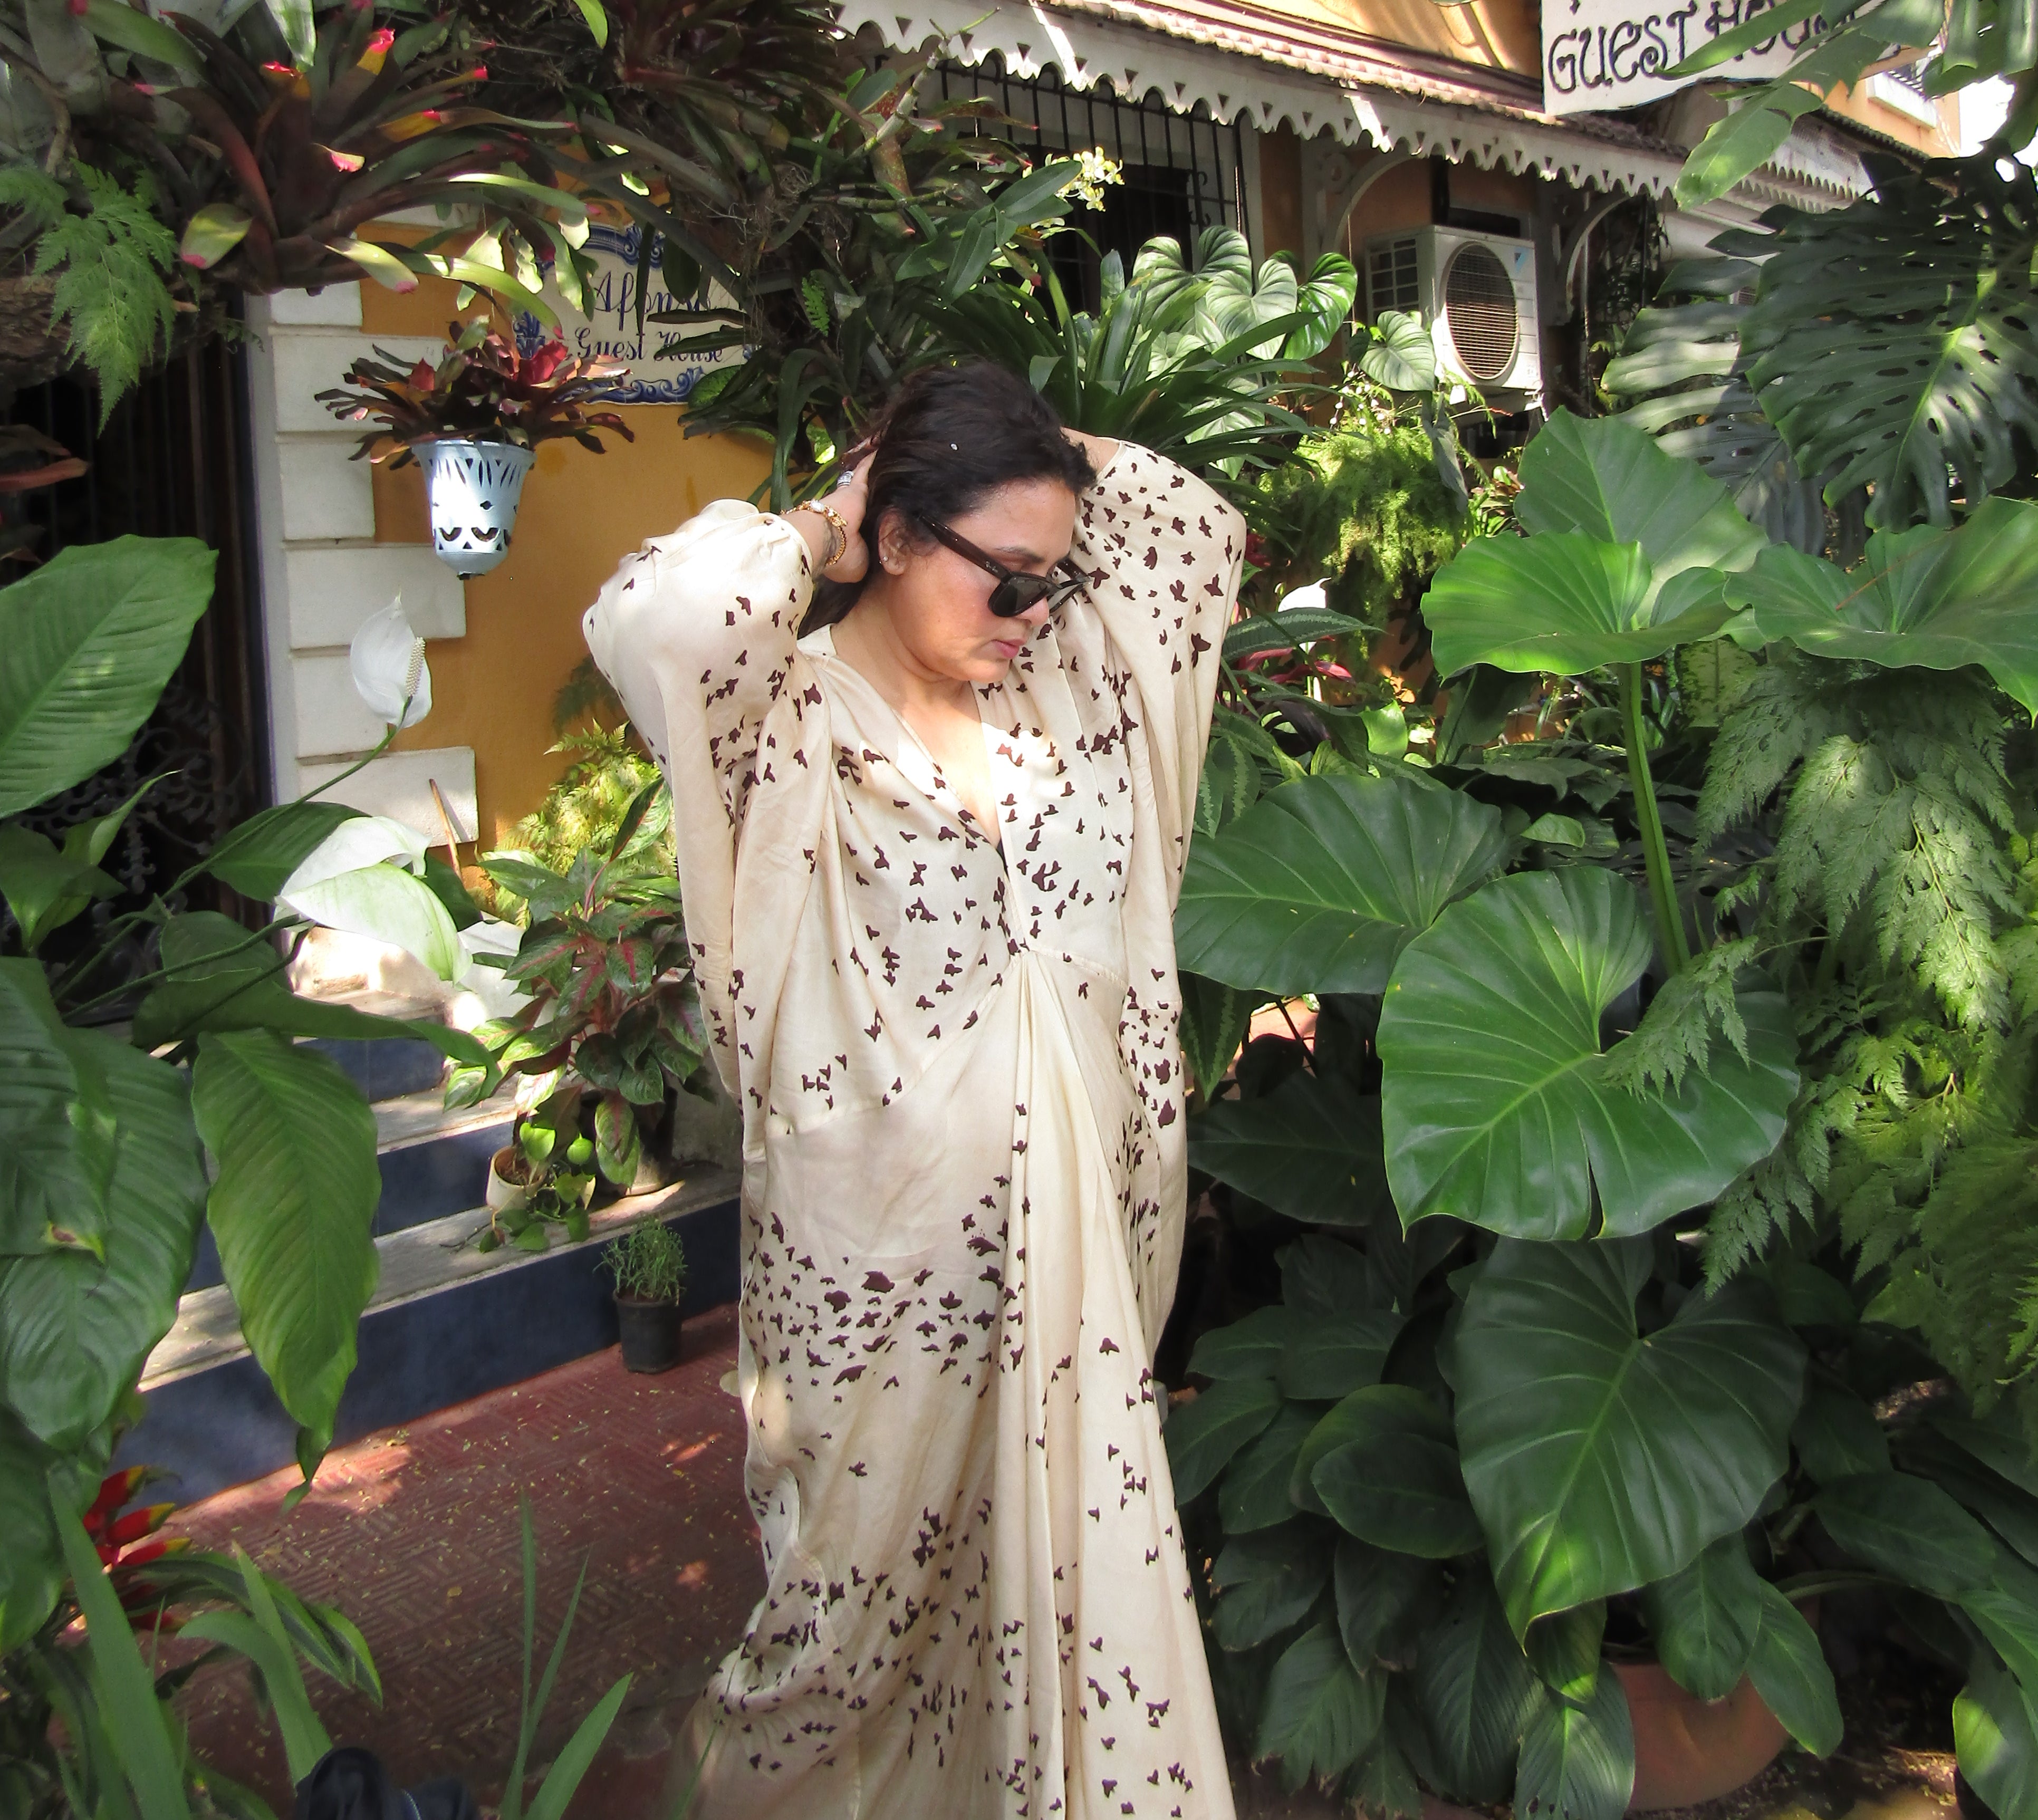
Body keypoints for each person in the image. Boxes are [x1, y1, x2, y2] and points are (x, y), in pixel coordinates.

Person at [583, 359, 1244, 1819]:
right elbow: (663, 618)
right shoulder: (786, 723)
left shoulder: (1075, 689)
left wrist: (1036, 449)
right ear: (895, 537)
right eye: (1004, 575)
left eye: (1054, 580)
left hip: (1083, 1257)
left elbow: (1198, 535)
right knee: (844, 1628)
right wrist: (833, 512)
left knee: (1059, 1591)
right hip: (875, 1278)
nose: (1033, 611)